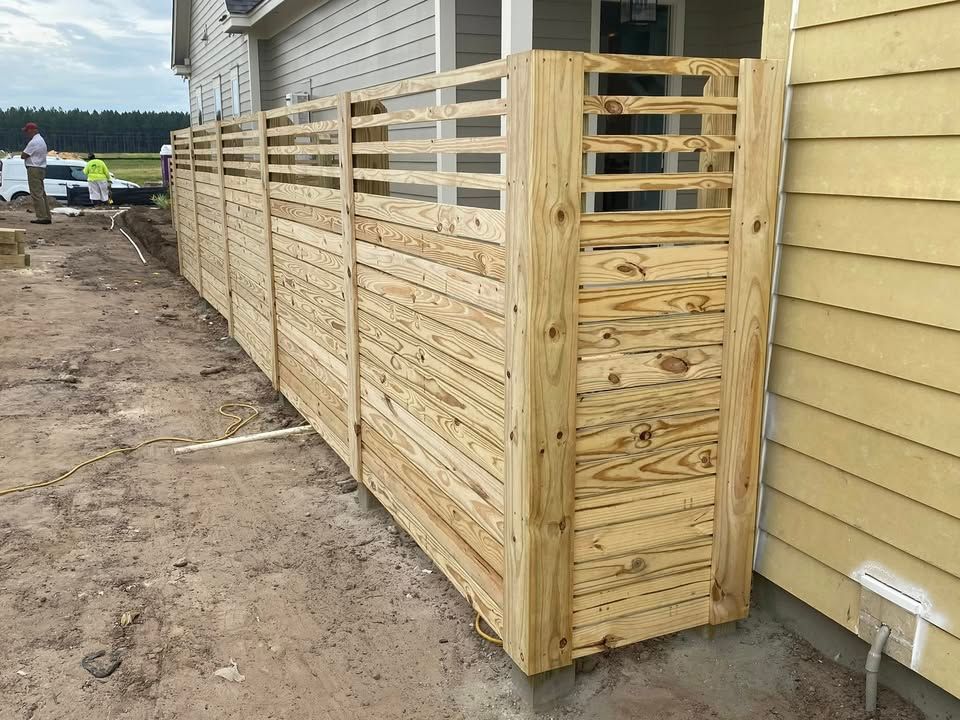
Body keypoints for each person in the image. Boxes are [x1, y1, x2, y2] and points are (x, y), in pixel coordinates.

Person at [20, 122, 51, 224]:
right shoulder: (41, 140)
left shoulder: (34, 142)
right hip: (40, 168)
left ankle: (42, 217)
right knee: (42, 193)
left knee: (36, 194)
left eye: (27, 131)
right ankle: (47, 215)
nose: (26, 134)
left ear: (32, 130)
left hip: (34, 168)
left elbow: (24, 155)